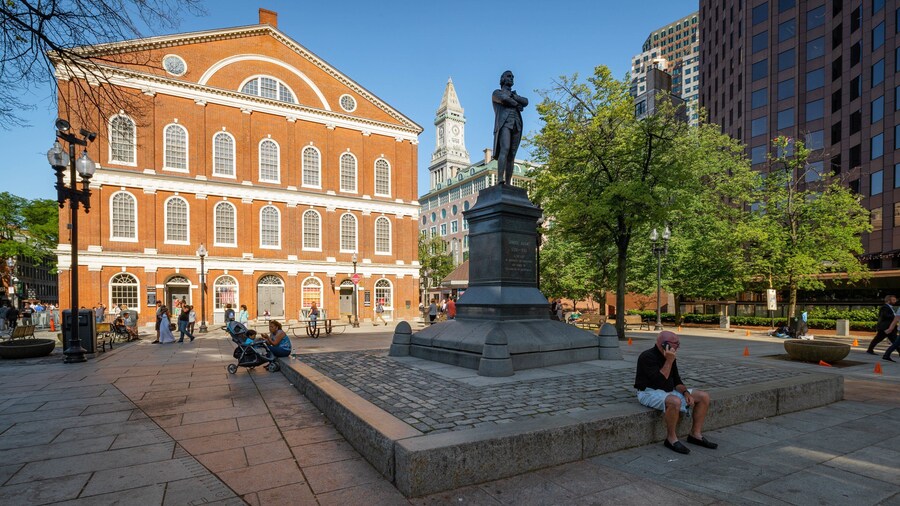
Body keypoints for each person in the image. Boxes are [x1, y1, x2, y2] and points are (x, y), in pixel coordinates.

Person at [634, 330, 717, 454]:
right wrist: (669, 361)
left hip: (668, 390)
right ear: (664, 344)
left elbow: (677, 380)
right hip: (649, 392)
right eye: (676, 344)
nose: (678, 347)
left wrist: (686, 393)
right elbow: (659, 381)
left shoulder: (670, 357)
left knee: (703, 396)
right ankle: (671, 438)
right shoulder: (647, 357)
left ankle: (695, 434)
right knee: (675, 401)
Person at [492, 70, 528, 184]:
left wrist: (514, 97)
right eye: (508, 76)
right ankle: (500, 179)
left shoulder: (514, 94)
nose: (511, 78)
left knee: (512, 155)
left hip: (516, 124)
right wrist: (517, 103)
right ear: (502, 79)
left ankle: (508, 183)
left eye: (512, 77)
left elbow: (526, 101)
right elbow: (503, 99)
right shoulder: (496, 92)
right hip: (504, 124)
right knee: (505, 149)